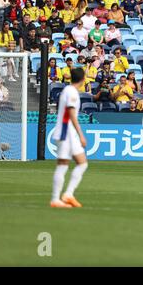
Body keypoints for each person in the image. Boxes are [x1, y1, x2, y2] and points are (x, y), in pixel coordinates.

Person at [50, 67, 88, 208]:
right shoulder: (71, 92)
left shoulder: (67, 90)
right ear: (83, 79)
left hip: (66, 132)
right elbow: (71, 114)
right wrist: (81, 135)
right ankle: (61, 196)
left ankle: (65, 195)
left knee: (74, 164)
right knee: (71, 164)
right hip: (67, 132)